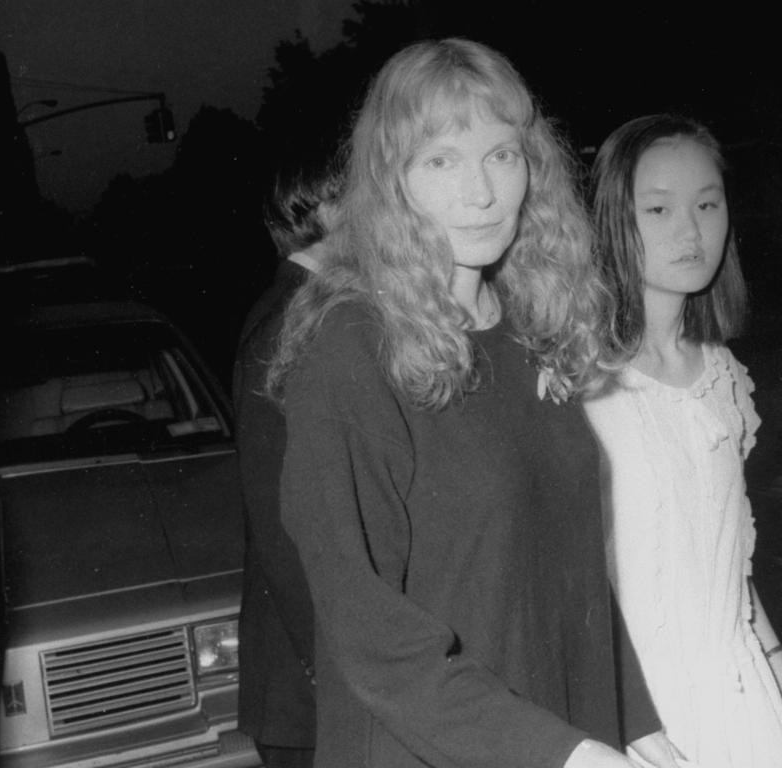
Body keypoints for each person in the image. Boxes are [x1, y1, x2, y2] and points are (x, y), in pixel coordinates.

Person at [267, 38, 677, 768]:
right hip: (435, 746)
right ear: (391, 183)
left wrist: (637, 725)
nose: (482, 193)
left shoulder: (526, 329)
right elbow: (367, 632)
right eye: (441, 161)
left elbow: (567, 569)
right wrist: (566, 754)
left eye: (501, 155)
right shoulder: (352, 347)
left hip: (557, 732)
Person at [585, 113, 782, 767]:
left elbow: (729, 559)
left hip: (743, 697)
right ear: (616, 220)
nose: (691, 231)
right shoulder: (581, 385)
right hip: (636, 717)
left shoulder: (721, 374)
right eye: (659, 209)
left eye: (707, 203)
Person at [232, 135, 343, 768]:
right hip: (309, 694)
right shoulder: (290, 322)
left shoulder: (314, 310)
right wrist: (342, 672)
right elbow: (281, 524)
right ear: (326, 206)